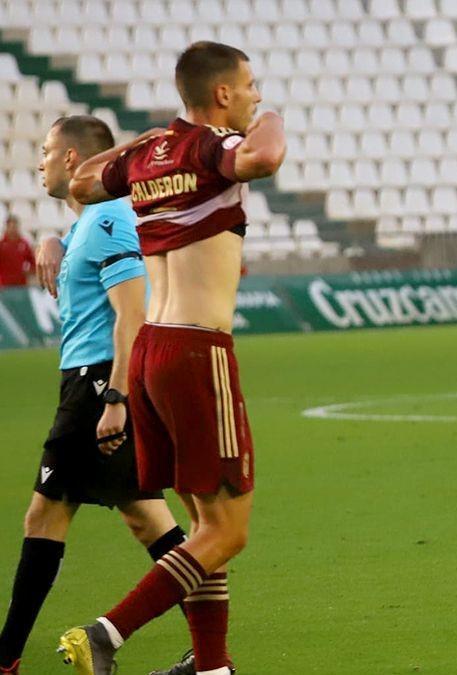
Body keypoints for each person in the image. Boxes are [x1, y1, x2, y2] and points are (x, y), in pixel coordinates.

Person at [55, 41, 285, 675]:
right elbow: (264, 155)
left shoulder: (150, 156)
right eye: (249, 86)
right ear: (221, 96)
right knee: (228, 529)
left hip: (154, 347)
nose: (255, 95)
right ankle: (107, 632)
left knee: (202, 524)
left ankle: (211, 666)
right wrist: (276, 118)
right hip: (196, 348)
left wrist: (135, 142)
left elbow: (78, 181)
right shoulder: (213, 148)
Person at [0, 117, 191, 675]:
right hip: (96, 380)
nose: (38, 162)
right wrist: (51, 237)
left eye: (44, 151)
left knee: (44, 515)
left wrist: (115, 397)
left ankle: (7, 655)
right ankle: (209, 654)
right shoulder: (92, 220)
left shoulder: (108, 218)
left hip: (98, 383)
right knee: (147, 518)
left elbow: (131, 314)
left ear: (72, 158)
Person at [0, 215, 36, 287]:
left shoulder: (24, 243)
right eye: (11, 227)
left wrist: (29, 272)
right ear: (7, 227)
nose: (13, 229)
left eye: (15, 226)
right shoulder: (1, 244)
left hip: (21, 285)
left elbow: (32, 261)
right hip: (5, 285)